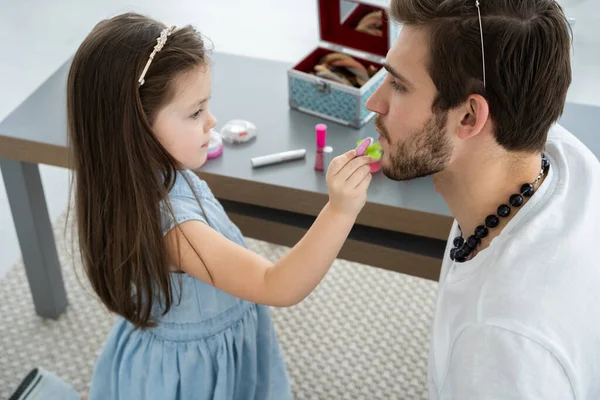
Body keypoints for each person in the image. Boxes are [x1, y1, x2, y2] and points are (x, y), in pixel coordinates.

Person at [63, 12, 371, 400]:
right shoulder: (178, 234)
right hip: (193, 375)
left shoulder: (133, 183)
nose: (212, 121)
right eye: (195, 112)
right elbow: (275, 284)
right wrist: (340, 210)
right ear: (136, 127)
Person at [366, 0, 600, 398]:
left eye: (400, 85)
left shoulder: (498, 346)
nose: (375, 102)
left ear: (470, 118)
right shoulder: (562, 157)